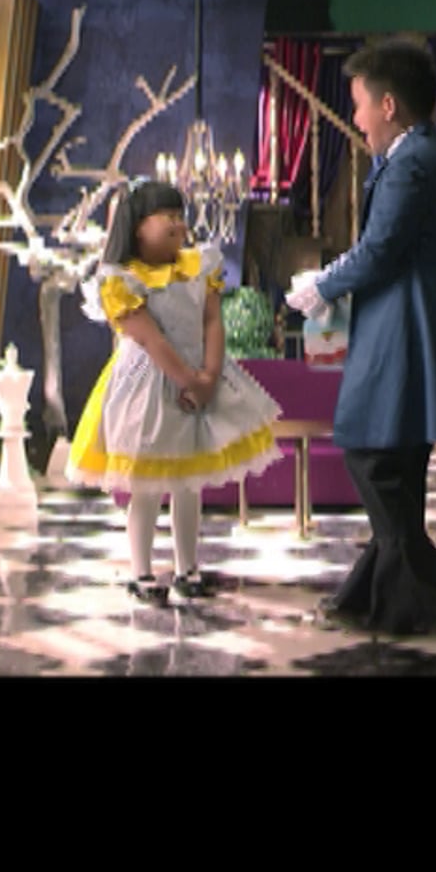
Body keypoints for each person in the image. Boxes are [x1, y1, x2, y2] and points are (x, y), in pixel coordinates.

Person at [286, 38, 436, 634]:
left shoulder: (413, 161)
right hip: (411, 319)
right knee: (396, 461)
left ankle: (424, 592)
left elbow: (380, 250)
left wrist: (323, 284)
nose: (355, 119)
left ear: (389, 105)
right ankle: (378, 597)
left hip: (408, 324)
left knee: (370, 451)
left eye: (358, 105)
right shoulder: (417, 153)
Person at [67, 180, 285, 604]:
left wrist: (210, 375)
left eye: (180, 216)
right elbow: (151, 340)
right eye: (166, 215)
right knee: (147, 484)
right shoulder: (121, 280)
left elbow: (212, 322)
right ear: (138, 227)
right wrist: (190, 380)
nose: (178, 224)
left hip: (199, 375)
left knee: (189, 482)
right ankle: (142, 572)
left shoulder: (199, 266)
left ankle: (189, 568)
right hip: (147, 386)